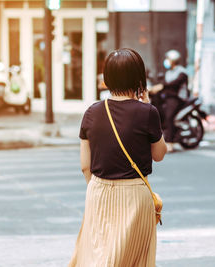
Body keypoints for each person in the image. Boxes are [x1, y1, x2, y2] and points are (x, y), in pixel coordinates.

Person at [69, 49, 167, 267]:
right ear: (138, 78)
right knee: (133, 261)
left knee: (97, 257)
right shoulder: (147, 112)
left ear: (107, 78)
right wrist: (146, 105)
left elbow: (86, 166)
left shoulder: (91, 112)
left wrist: (99, 189)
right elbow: (159, 155)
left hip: (98, 193)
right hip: (134, 195)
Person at [150, 50, 188, 152]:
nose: (166, 61)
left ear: (173, 60)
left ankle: (170, 143)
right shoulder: (168, 73)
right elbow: (164, 84)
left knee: (169, 117)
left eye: (168, 59)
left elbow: (174, 84)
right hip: (167, 97)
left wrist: (162, 86)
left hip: (177, 98)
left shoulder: (182, 72)